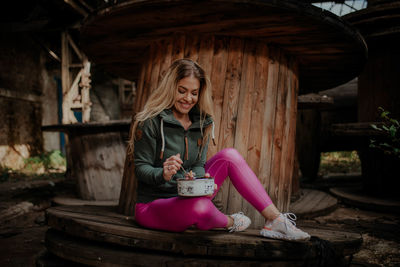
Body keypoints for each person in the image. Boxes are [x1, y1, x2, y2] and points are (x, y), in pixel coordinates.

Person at [129, 58, 310, 241]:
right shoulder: (149, 122)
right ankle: (229, 222)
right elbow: (141, 168)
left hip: (188, 196)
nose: (188, 98)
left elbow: (199, 164)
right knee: (199, 206)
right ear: (170, 88)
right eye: (181, 91)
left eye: (194, 93)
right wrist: (164, 173)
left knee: (230, 156)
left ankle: (275, 220)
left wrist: (201, 180)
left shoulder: (201, 123)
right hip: (153, 205)